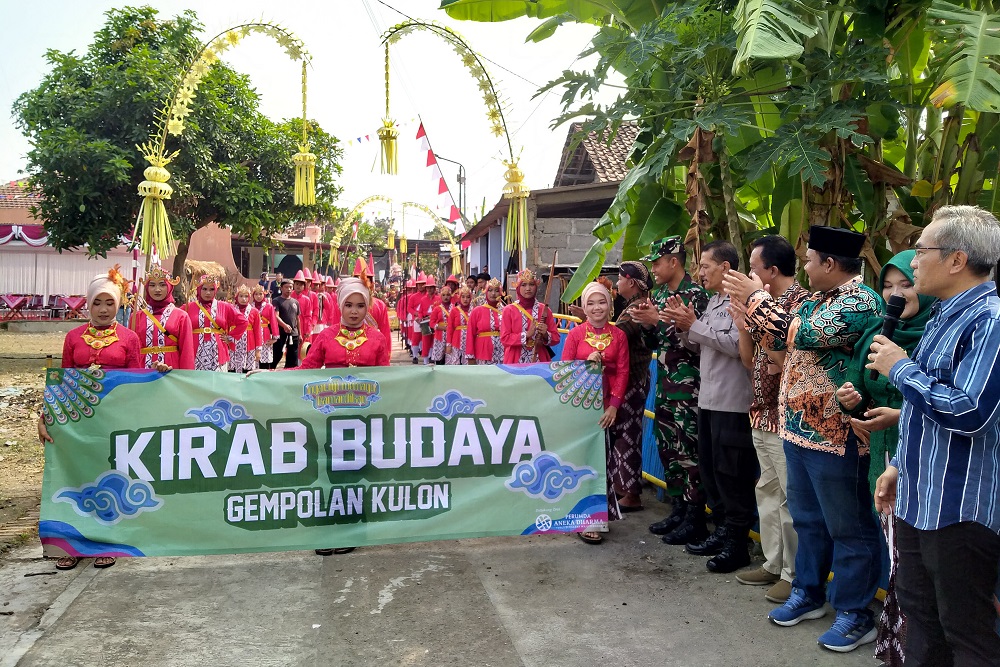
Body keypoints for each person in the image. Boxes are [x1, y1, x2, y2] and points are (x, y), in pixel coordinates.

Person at [723, 225, 884, 653]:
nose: (806, 267)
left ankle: (855, 613)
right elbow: (776, 336)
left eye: (811, 260)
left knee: (849, 528)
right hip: (797, 430)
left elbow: (802, 334)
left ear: (831, 264)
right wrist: (750, 307)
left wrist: (757, 298)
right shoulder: (815, 299)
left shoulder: (859, 302)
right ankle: (810, 593)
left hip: (836, 436)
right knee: (809, 521)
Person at [869, 205, 1000, 667]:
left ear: (957, 260)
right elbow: (924, 407)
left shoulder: (991, 321)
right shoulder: (943, 313)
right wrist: (897, 466)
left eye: (920, 250)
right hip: (918, 498)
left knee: (965, 631)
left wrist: (898, 367)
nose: (913, 260)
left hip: (959, 508)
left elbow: (970, 411)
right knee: (920, 617)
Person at [833, 249, 936, 666]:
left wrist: (902, 412)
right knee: (898, 554)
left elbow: (953, 402)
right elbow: (855, 382)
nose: (896, 294)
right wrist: (849, 400)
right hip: (883, 455)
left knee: (920, 562)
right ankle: (900, 643)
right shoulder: (878, 330)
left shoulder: (941, 332)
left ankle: (917, 645)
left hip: (926, 458)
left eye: (905, 285)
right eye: (888, 286)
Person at [39, 266, 169, 571]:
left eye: (109, 302)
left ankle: (107, 542)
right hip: (79, 423)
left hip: (114, 421)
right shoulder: (73, 338)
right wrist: (46, 414)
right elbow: (64, 381)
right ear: (87, 304)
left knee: (111, 479)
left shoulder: (129, 338)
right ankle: (72, 544)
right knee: (76, 477)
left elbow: (136, 380)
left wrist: (159, 374)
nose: (103, 309)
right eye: (97, 302)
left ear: (118, 304)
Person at [663, 241, 756, 574]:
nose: (700, 272)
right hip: (709, 399)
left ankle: (737, 541)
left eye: (706, 266)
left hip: (733, 402)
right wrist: (684, 326)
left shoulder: (739, 301)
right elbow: (701, 343)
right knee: (712, 470)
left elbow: (735, 345)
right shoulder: (714, 301)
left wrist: (695, 326)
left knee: (732, 474)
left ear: (727, 268)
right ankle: (721, 531)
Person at [730, 236, 808, 603]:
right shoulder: (764, 307)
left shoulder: (798, 306)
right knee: (768, 491)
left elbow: (784, 362)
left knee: (790, 499)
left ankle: (794, 575)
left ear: (772, 271)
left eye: (753, 267)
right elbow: (749, 362)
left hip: (786, 417)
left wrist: (756, 313)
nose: (747, 274)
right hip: (761, 413)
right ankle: (773, 563)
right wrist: (746, 325)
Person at [300, 278, 389, 557]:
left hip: (362, 418)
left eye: (360, 305)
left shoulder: (378, 339)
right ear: (340, 306)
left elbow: (389, 381)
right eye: (348, 305)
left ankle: (352, 530)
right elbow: (306, 370)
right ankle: (325, 530)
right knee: (325, 472)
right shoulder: (325, 336)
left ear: (368, 308)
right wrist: (267, 376)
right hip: (327, 416)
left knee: (355, 472)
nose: (354, 311)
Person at [630, 236, 709, 545]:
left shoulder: (695, 296)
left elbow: (696, 340)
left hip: (689, 387)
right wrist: (648, 327)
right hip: (665, 384)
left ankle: (695, 516)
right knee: (669, 449)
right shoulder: (659, 294)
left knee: (690, 453)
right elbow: (656, 344)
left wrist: (657, 323)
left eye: (657, 262)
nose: (653, 268)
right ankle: (678, 507)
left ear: (674, 261)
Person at [560, 281, 629, 544]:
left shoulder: (619, 336)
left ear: (610, 306)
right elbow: (564, 370)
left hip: (605, 410)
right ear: (584, 307)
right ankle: (582, 517)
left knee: (603, 462)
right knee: (581, 462)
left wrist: (613, 405)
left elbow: (623, 372)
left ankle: (599, 516)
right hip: (580, 408)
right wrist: (583, 365)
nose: (596, 307)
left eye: (601, 302)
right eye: (590, 303)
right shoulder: (576, 334)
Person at [611, 261, 655, 512]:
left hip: (632, 381)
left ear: (630, 282)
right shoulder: (632, 306)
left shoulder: (637, 308)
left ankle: (632, 492)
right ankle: (622, 485)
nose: (617, 283)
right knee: (622, 435)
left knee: (628, 435)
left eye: (619, 278)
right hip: (629, 380)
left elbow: (616, 337)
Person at [129, 264, 195, 371]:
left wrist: (186, 379)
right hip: (143, 371)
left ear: (169, 287)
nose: (157, 289)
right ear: (147, 288)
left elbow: (187, 351)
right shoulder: (135, 317)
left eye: (162, 285)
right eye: (152, 285)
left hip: (172, 370)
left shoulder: (181, 316)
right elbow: (132, 351)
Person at [182, 274, 247, 372]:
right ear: (199, 289)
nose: (208, 293)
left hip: (218, 351)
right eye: (204, 289)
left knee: (218, 383)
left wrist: (230, 337)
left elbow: (243, 322)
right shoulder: (188, 307)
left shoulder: (224, 306)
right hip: (194, 350)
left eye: (212, 289)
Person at [500, 269, 560, 364]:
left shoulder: (544, 310)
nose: (528, 288)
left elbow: (556, 338)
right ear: (518, 287)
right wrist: (527, 335)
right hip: (515, 359)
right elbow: (504, 339)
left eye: (531, 284)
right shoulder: (509, 310)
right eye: (523, 285)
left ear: (536, 287)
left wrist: (545, 334)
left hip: (540, 358)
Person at [466, 278, 505, 365]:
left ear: (501, 293)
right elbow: (470, 334)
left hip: (503, 353)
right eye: (490, 290)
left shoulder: (506, 310)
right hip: (483, 353)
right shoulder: (477, 311)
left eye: (496, 291)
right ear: (486, 292)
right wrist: (470, 356)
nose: (493, 294)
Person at [228, 285, 262, 374]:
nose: (244, 299)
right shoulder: (231, 310)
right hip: (233, 344)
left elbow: (257, 331)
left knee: (248, 371)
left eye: (246, 296)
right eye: (241, 296)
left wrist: (258, 350)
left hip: (249, 345)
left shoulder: (254, 311)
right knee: (232, 370)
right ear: (236, 297)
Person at [269, 279, 300, 369]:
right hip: (280, 333)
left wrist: (300, 334)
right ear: (281, 288)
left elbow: (298, 319)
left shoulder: (295, 302)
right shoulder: (276, 301)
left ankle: (290, 373)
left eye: (290, 287)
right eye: (286, 287)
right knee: (277, 354)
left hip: (293, 333)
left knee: (292, 357)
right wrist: (284, 325)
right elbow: (275, 316)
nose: (289, 289)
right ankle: (271, 371)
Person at [251, 285, 278, 371]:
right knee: (253, 359)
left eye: (260, 294)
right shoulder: (250, 306)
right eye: (256, 294)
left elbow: (274, 321)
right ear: (253, 295)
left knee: (265, 361)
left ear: (264, 294)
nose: (258, 296)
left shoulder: (269, 306)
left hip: (265, 334)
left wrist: (275, 337)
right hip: (253, 334)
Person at [446, 286, 473, 365]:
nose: (465, 299)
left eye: (468, 297)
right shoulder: (454, 310)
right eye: (463, 297)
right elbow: (450, 328)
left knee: (468, 363)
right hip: (456, 340)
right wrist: (448, 344)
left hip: (470, 340)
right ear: (460, 298)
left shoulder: (474, 310)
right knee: (455, 363)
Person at [291, 271, 314, 358]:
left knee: (301, 347)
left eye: (301, 285)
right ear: (294, 285)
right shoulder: (289, 297)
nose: (298, 286)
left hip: (303, 326)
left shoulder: (306, 299)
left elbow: (308, 316)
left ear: (304, 286)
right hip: (290, 326)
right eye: (297, 284)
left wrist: (308, 329)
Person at [429, 284, 452, 364]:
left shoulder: (455, 308)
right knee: (439, 360)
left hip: (451, 337)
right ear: (440, 296)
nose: (446, 297)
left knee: (450, 357)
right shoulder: (437, 309)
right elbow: (431, 323)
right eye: (444, 295)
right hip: (440, 336)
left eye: (448, 295)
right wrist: (442, 328)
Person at [419, 276, 439, 365]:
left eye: (431, 287)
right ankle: (425, 361)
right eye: (428, 287)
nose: (430, 289)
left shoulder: (438, 299)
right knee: (426, 341)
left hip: (435, 322)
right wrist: (419, 318)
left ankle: (432, 358)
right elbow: (420, 311)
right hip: (426, 322)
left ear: (434, 288)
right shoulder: (423, 299)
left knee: (435, 340)